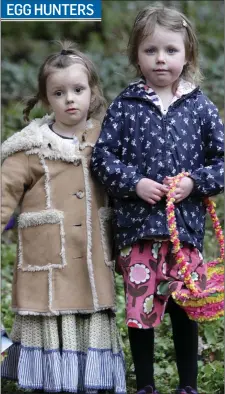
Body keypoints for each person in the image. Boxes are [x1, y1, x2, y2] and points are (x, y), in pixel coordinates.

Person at [91, 6, 224, 394]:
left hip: (185, 234)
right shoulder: (126, 106)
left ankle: (187, 385)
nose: (161, 59)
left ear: (188, 55)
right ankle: (146, 384)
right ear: (136, 56)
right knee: (140, 312)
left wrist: (194, 183)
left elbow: (221, 161)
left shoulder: (199, 106)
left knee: (186, 309)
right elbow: (103, 157)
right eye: (150, 50)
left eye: (170, 50)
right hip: (140, 232)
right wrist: (135, 184)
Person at [1, 41, 126, 394]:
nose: (70, 98)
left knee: (91, 309)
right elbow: (3, 196)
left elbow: (127, 185)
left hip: (92, 261)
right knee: (53, 312)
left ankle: (92, 380)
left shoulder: (107, 139)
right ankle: (51, 380)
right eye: (59, 92)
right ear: (46, 99)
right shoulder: (29, 148)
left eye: (78, 89)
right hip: (48, 266)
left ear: (92, 91)